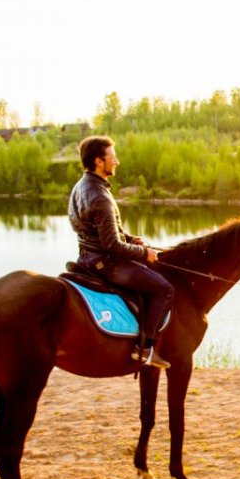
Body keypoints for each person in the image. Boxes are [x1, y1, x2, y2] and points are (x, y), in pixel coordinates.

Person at [69, 135, 174, 368]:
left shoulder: (82, 186)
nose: (117, 162)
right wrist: (143, 253)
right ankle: (144, 350)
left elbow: (102, 231)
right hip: (106, 263)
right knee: (164, 289)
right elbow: (111, 245)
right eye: (112, 157)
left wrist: (131, 239)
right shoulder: (99, 196)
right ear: (98, 161)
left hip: (86, 257)